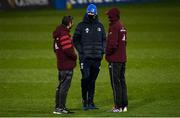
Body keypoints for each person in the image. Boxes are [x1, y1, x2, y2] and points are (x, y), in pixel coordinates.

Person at [73, 4, 106, 110]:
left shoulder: (100, 26)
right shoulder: (81, 26)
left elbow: (104, 40)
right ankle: (84, 100)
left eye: (92, 13)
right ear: (87, 13)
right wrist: (81, 51)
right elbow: (75, 39)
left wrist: (102, 51)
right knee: (86, 78)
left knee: (92, 80)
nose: (91, 15)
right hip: (85, 58)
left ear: (96, 14)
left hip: (97, 58)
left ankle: (91, 102)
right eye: (89, 13)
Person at [52, 16, 77, 114]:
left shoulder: (58, 34)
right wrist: (75, 56)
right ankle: (60, 108)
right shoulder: (64, 34)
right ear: (69, 23)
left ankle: (58, 107)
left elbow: (55, 48)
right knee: (64, 87)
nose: (72, 24)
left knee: (61, 86)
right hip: (66, 65)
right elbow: (68, 50)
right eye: (71, 22)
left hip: (61, 64)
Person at [105, 8, 128, 112]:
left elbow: (112, 45)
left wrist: (107, 54)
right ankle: (124, 106)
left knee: (115, 83)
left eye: (109, 16)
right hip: (122, 58)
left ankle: (117, 106)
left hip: (115, 59)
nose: (108, 17)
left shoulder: (114, 27)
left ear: (112, 16)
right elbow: (125, 42)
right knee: (122, 82)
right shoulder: (122, 26)